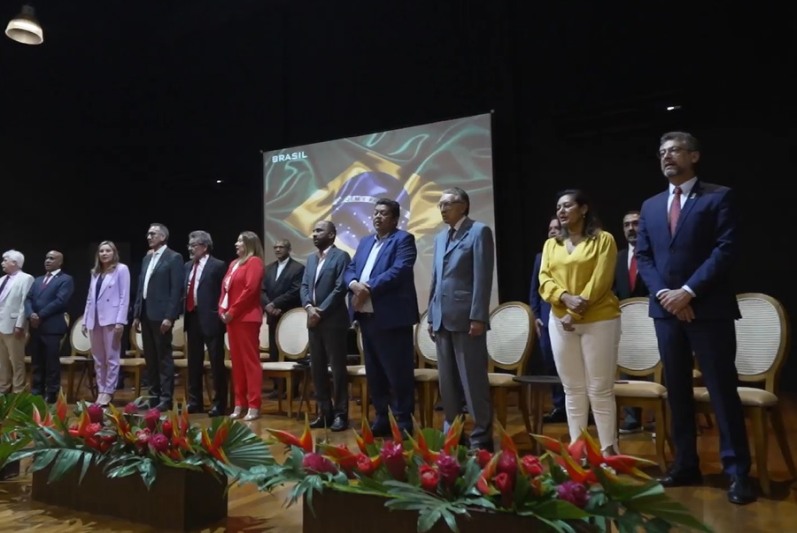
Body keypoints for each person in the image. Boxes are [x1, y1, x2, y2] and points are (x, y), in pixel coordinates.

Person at [635, 131, 755, 504]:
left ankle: (737, 473)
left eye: (675, 150)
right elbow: (644, 256)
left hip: (709, 310)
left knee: (721, 391)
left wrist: (688, 292)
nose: (667, 156)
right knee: (677, 392)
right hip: (666, 311)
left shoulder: (718, 196)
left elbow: (725, 249)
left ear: (694, 156)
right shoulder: (651, 205)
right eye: (662, 152)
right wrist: (665, 296)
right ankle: (685, 463)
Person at [538, 189, 621, 455]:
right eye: (558, 207)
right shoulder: (551, 244)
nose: (561, 211)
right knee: (572, 389)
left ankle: (608, 450)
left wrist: (573, 312)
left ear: (583, 209)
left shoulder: (603, 239)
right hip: (560, 321)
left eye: (567, 206)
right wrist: (563, 297)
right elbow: (544, 279)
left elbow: (601, 281)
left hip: (598, 319)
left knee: (600, 389)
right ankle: (578, 451)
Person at [344, 198, 419, 436]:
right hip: (367, 318)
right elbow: (351, 269)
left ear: (395, 219)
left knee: (397, 373)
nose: (377, 217)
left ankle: (403, 421)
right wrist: (354, 284)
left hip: (392, 318)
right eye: (375, 213)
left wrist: (367, 287)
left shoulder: (403, 240)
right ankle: (382, 417)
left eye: (383, 213)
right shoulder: (365, 241)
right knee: (375, 373)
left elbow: (400, 270)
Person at [427, 187, 494, 451]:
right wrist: (431, 316)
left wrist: (478, 316)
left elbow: (482, 277)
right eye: (440, 205)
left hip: (467, 320)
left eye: (447, 204)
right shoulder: (440, 238)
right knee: (448, 385)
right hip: (442, 319)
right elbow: (436, 279)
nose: (442, 209)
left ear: (463, 205)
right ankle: (453, 434)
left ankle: (481, 436)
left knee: (473, 381)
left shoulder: (479, 231)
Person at [300, 221, 351, 431]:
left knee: (337, 370)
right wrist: (309, 307)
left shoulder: (341, 257)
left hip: (333, 321)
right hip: (313, 321)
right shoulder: (311, 259)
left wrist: (320, 311)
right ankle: (324, 412)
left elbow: (340, 288)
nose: (314, 234)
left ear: (331, 235)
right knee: (317, 368)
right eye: (313, 231)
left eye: (319, 231)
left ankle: (340, 414)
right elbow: (304, 286)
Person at [132, 223, 184, 411]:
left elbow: (176, 290)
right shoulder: (147, 258)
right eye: (148, 234)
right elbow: (141, 287)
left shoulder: (174, 257)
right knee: (150, 358)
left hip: (161, 315)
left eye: (153, 234)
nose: (149, 237)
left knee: (163, 358)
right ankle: (153, 395)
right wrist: (136, 313)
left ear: (163, 237)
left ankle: (166, 398)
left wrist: (170, 316)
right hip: (146, 313)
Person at [219, 231, 266, 421]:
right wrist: (222, 309)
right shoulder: (233, 264)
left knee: (249, 362)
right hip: (232, 319)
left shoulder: (254, 262)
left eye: (240, 241)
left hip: (246, 318)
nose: (236, 243)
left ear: (250, 244)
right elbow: (225, 289)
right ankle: (240, 403)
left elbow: (250, 290)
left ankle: (254, 404)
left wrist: (233, 311)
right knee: (237, 363)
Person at [613, 210, 651, 433]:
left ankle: (656, 417)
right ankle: (632, 418)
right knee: (627, 365)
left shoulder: (654, 253)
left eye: (635, 224)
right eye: (627, 225)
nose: (631, 228)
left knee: (656, 368)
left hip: (652, 322)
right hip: (625, 324)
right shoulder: (617, 258)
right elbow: (612, 289)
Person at [183, 230, 227, 416]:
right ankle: (195, 401)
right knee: (194, 362)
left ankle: (219, 403)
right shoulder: (187, 266)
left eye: (194, 246)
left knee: (216, 363)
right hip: (192, 317)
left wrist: (220, 313)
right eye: (189, 245)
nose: (191, 249)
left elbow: (224, 292)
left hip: (211, 319)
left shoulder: (218, 265)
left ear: (205, 247)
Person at [82, 241, 129, 406]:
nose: (104, 253)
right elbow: (90, 298)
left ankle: (109, 390)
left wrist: (120, 321)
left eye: (108, 250)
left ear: (114, 253)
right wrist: (85, 319)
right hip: (95, 319)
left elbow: (124, 296)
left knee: (111, 357)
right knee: (98, 358)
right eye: (101, 251)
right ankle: (101, 389)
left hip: (111, 318)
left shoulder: (121, 269)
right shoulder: (95, 272)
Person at [25, 250, 74, 403]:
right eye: (46, 258)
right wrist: (31, 314)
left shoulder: (65, 279)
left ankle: (52, 392)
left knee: (51, 362)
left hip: (52, 326)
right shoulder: (38, 280)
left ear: (60, 262)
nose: (47, 260)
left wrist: (40, 315)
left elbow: (60, 301)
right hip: (36, 327)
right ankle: (36, 391)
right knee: (37, 361)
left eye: (52, 258)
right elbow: (28, 298)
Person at [530, 217, 566, 424]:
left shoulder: (573, 253)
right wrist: (535, 316)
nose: (553, 231)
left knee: (571, 366)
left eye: (557, 228)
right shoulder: (540, 256)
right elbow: (534, 289)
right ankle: (559, 406)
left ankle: (579, 407)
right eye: (550, 228)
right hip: (545, 320)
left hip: (570, 317)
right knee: (551, 364)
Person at [261, 239, 304, 399]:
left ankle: (293, 389)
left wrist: (276, 304)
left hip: (289, 316)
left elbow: (295, 290)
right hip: (272, 316)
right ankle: (277, 387)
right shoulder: (268, 268)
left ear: (289, 249)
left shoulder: (298, 268)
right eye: (276, 247)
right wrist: (268, 305)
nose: (278, 250)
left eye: (281, 247)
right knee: (274, 352)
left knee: (292, 352)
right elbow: (261, 290)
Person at [0, 250, 34, 394]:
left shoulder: (26, 278)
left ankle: (18, 390)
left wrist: (20, 325)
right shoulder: (2, 279)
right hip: (1, 324)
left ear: (14, 262)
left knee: (16, 361)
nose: (2, 263)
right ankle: (3, 388)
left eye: (5, 260)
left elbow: (24, 302)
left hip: (14, 325)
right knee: (2, 361)